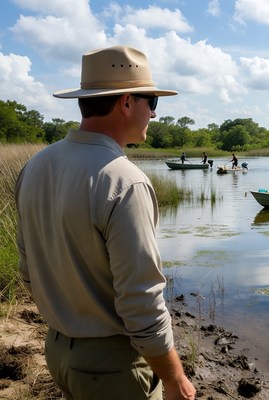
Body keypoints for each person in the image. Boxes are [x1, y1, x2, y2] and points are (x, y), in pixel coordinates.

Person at [15, 45, 196, 400]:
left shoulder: (35, 166)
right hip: (113, 369)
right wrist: (174, 379)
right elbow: (141, 303)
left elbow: (27, 270)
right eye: (152, 103)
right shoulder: (125, 181)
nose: (155, 115)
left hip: (58, 352)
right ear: (127, 102)